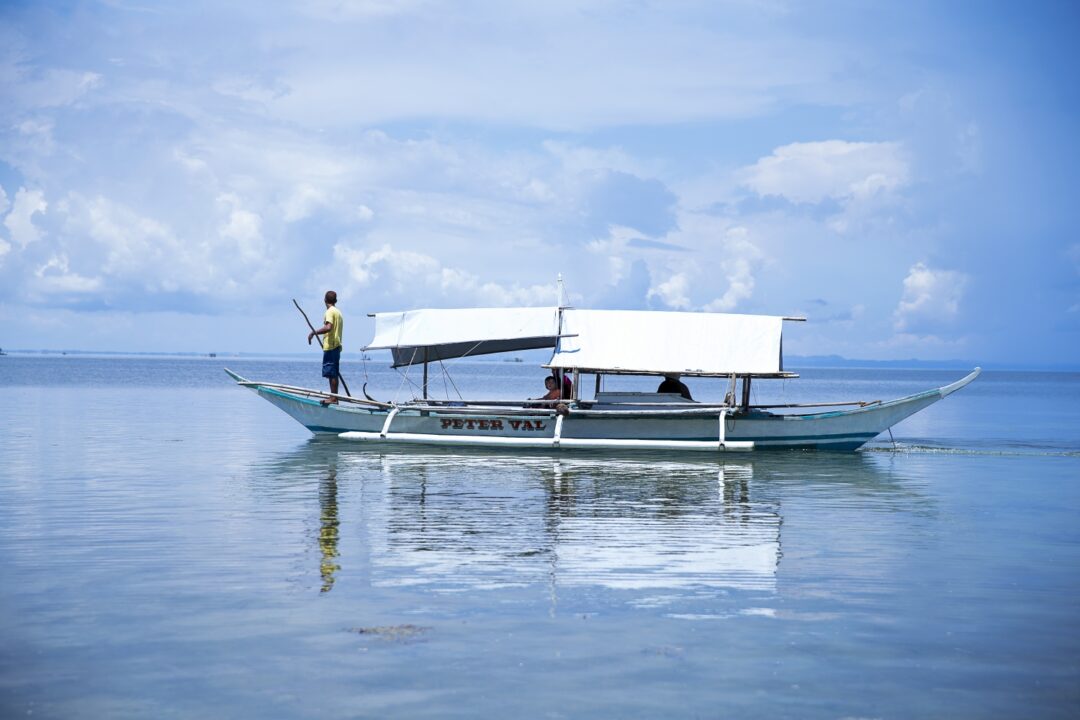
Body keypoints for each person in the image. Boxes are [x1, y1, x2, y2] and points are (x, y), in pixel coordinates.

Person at [308, 290, 343, 403]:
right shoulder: (338, 312)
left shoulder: (330, 312)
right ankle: (334, 397)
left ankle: (333, 398)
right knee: (333, 373)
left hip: (331, 346)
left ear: (325, 300)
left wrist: (314, 332)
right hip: (336, 345)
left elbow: (328, 327)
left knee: (331, 372)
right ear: (335, 301)